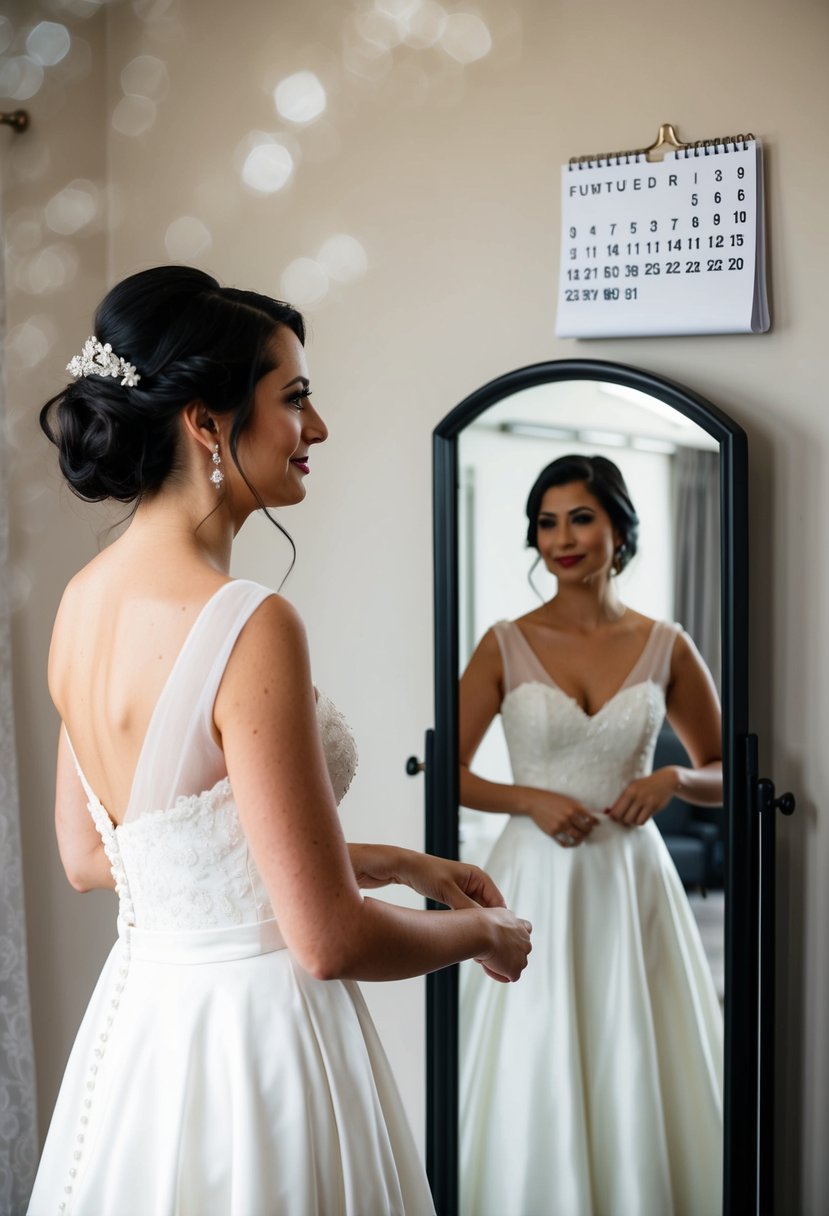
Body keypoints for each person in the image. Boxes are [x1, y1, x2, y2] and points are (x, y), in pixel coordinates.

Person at [27, 265, 532, 1216]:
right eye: (294, 398)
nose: (318, 428)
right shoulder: (245, 621)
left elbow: (99, 855)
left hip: (143, 1035)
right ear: (206, 422)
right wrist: (483, 933)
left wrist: (395, 863)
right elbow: (327, 940)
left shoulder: (81, 602)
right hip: (256, 1050)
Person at [458, 454, 724, 1216]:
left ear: (618, 527)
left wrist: (672, 781)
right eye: (545, 522)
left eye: (580, 518)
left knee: (631, 1049)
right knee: (533, 1047)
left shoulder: (665, 645)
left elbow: (725, 770)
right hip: (533, 874)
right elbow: (448, 771)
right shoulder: (502, 642)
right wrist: (529, 800)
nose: (561, 538)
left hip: (629, 881)